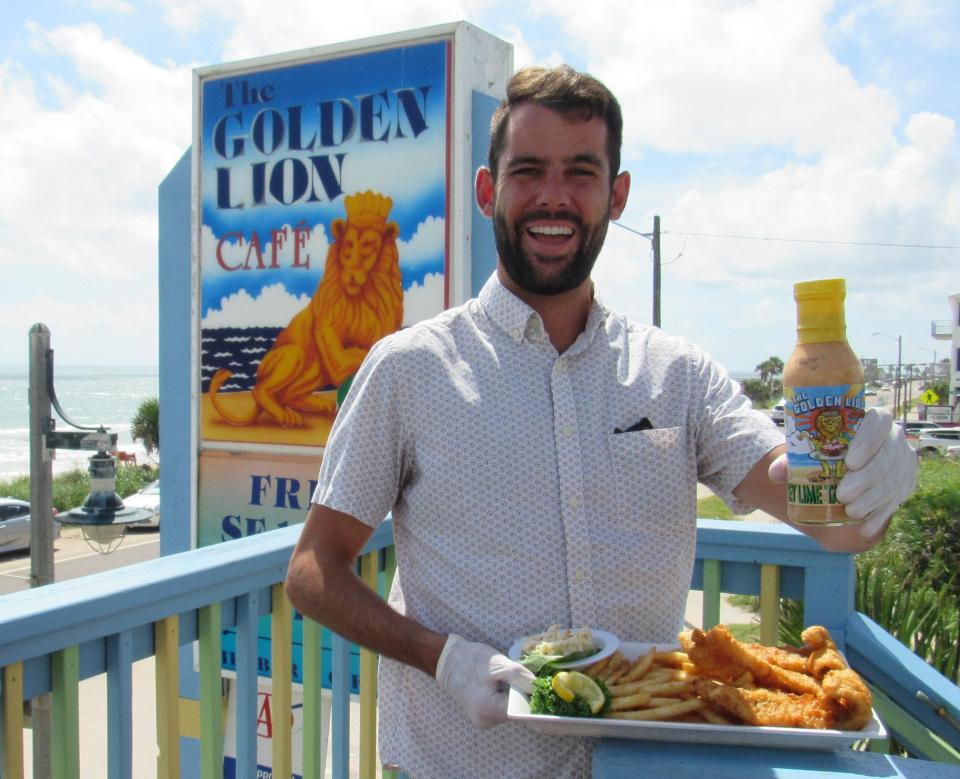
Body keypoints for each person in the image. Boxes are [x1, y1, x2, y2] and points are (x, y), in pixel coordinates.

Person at [285, 65, 917, 777]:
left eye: (581, 173)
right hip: (463, 762)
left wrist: (871, 475)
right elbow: (313, 570)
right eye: (529, 171)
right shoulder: (410, 369)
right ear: (488, 190)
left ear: (616, 195)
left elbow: (830, 518)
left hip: (644, 764)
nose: (554, 197)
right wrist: (442, 656)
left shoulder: (676, 373)